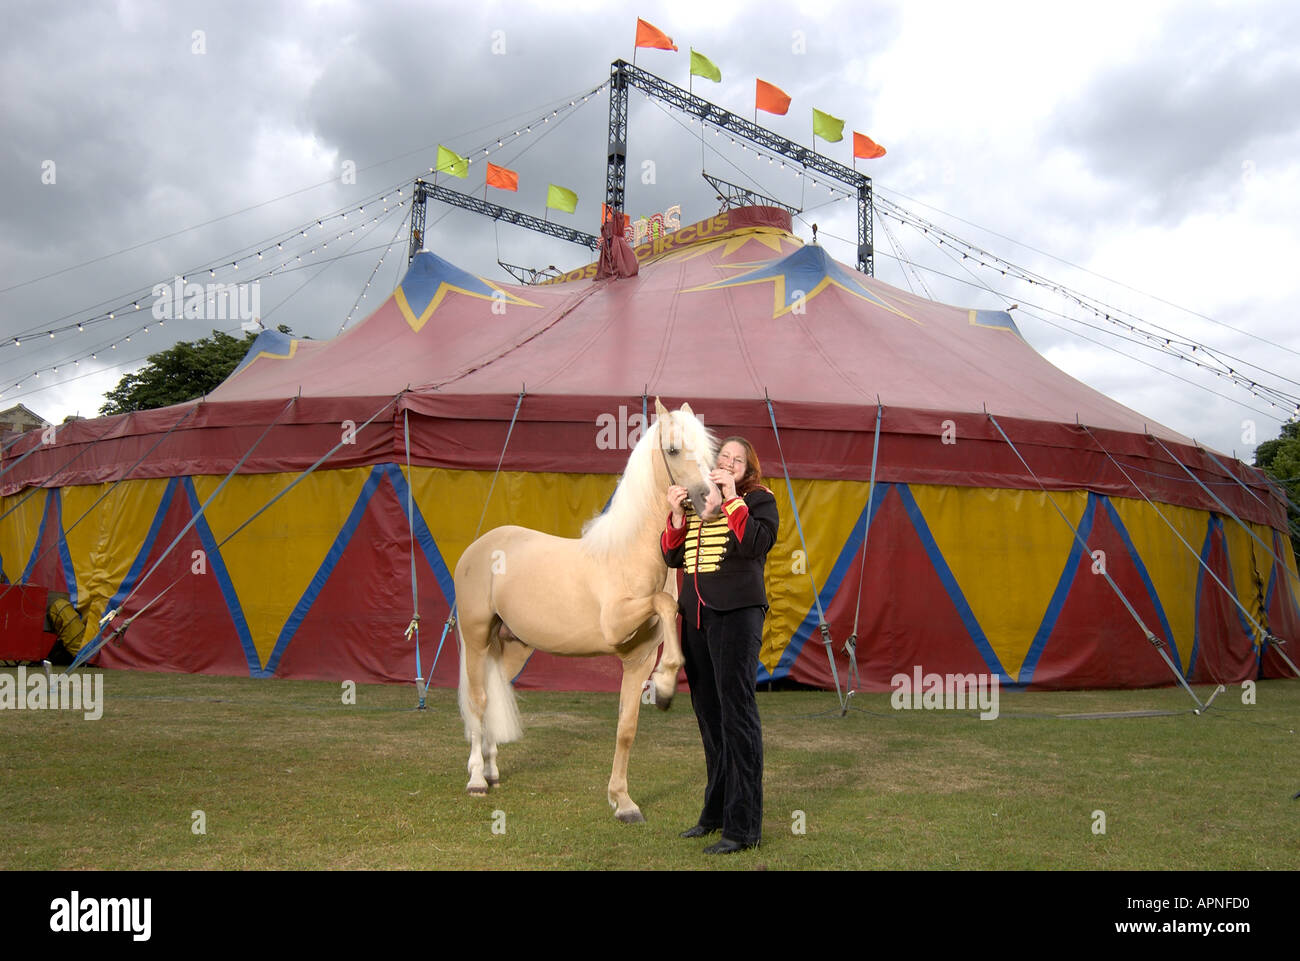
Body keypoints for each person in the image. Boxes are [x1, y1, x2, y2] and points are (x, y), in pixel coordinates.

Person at [662, 435, 779, 853]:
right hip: (695, 618)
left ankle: (743, 827)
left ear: (749, 469)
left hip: (736, 616)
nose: (728, 462)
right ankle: (714, 814)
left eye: (737, 459)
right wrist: (677, 516)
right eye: (723, 457)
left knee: (737, 716)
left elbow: (757, 544)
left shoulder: (759, 499)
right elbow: (673, 557)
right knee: (710, 718)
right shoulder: (699, 499)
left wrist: (731, 498)